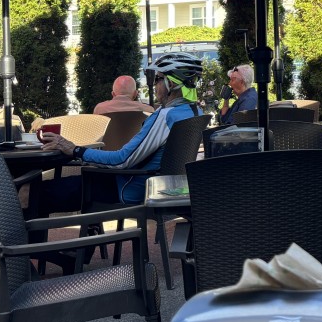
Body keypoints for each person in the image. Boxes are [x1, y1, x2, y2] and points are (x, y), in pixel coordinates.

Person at [34, 51, 204, 210]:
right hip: (156, 185)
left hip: (129, 188)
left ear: (171, 83)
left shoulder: (165, 116)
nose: (153, 85)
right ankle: (90, 236)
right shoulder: (194, 112)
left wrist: (75, 149)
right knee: (74, 183)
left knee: (33, 191)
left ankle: (19, 239)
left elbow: (121, 160)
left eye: (157, 79)